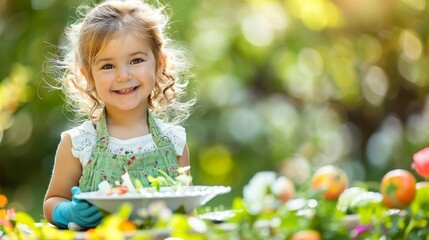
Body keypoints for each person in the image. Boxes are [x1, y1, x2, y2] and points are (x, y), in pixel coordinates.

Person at [43, 0, 195, 229]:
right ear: (88, 76)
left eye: (136, 60)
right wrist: (68, 212)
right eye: (107, 66)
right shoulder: (79, 143)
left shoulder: (174, 143)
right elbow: (52, 202)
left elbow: (187, 214)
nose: (123, 75)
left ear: (159, 64)